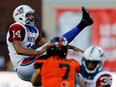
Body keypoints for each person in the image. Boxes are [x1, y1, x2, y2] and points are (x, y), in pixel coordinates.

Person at [6, 5, 93, 82]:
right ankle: (83, 23)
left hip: (31, 63)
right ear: (21, 16)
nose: (32, 17)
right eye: (29, 15)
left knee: (64, 73)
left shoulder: (33, 29)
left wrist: (70, 46)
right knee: (54, 49)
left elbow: (51, 42)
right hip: (22, 66)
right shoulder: (17, 27)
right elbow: (19, 49)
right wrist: (38, 52)